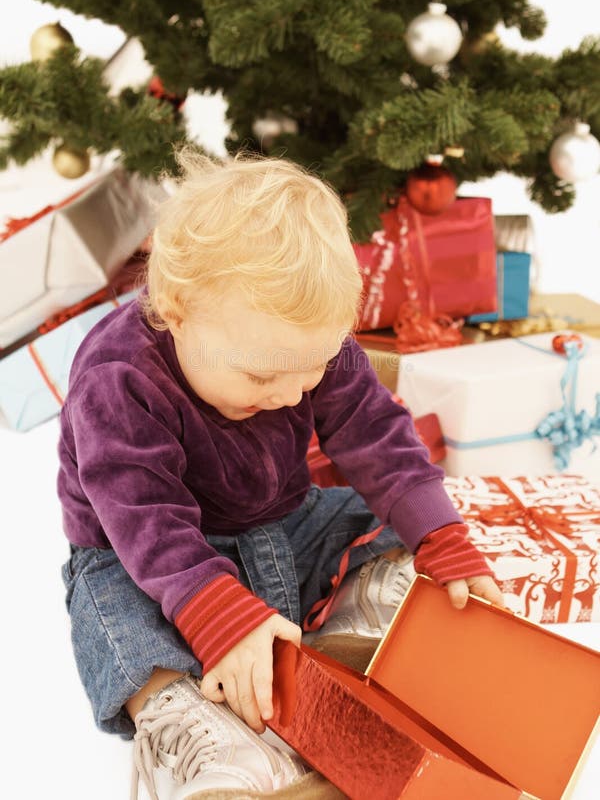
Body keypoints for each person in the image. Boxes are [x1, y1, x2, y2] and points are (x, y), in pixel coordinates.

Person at [57, 149, 503, 799]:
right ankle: (191, 731)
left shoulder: (296, 343)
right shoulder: (118, 378)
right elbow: (144, 517)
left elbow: (375, 434)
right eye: (264, 378)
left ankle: (366, 631)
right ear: (177, 310)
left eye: (314, 370)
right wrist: (218, 615)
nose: (293, 397)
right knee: (120, 623)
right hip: (150, 558)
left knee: (380, 525)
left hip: (282, 524)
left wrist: (441, 540)